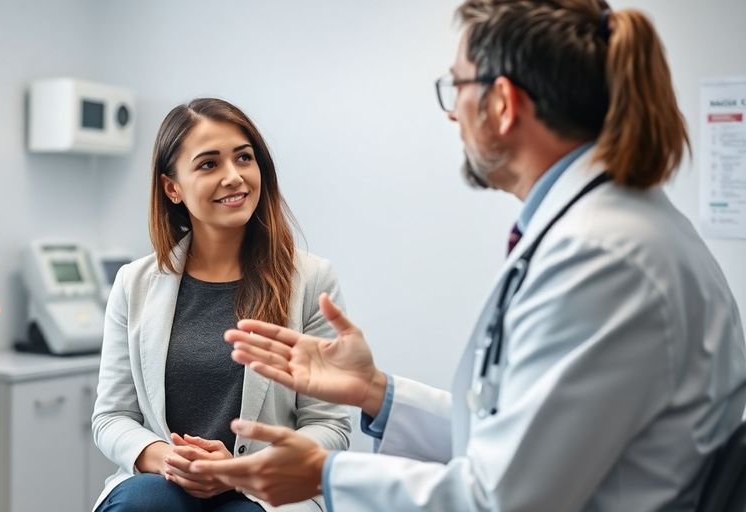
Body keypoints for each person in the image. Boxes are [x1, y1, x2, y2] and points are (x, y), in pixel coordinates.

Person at [188, 1, 746, 510]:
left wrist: (327, 476)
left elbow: (500, 500)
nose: (453, 114)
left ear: (502, 104)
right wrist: (376, 392)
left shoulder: (603, 259)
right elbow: (517, 448)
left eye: (456, 87)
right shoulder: (605, 230)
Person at [91, 98, 351, 512]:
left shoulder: (313, 280)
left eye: (244, 158)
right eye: (209, 164)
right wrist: (169, 459)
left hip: (263, 492)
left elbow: (329, 427)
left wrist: (238, 468)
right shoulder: (133, 284)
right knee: (142, 505)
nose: (234, 177)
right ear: (172, 188)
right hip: (165, 483)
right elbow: (111, 418)